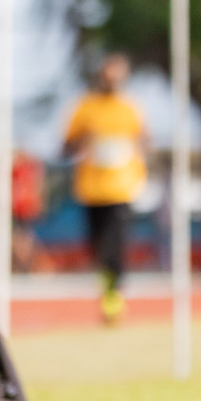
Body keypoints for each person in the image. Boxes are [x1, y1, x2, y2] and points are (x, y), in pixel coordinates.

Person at [61, 54, 148, 323]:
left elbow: (145, 141)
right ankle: (106, 283)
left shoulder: (130, 108)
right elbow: (65, 148)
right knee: (98, 247)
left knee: (116, 245)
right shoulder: (85, 108)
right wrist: (82, 141)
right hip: (91, 190)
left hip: (121, 189)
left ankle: (114, 295)